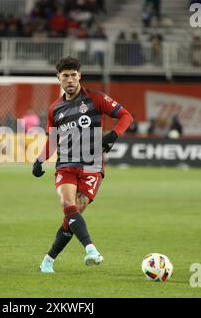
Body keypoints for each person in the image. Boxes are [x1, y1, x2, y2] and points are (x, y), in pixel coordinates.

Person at [33, 56, 133, 273]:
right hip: (67, 164)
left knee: (74, 213)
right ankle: (91, 250)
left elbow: (126, 116)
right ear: (58, 78)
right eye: (65, 75)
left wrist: (113, 135)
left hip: (92, 165)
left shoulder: (95, 99)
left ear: (80, 76)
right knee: (66, 203)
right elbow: (52, 139)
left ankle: (48, 260)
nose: (69, 79)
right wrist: (40, 159)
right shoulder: (54, 110)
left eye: (73, 75)